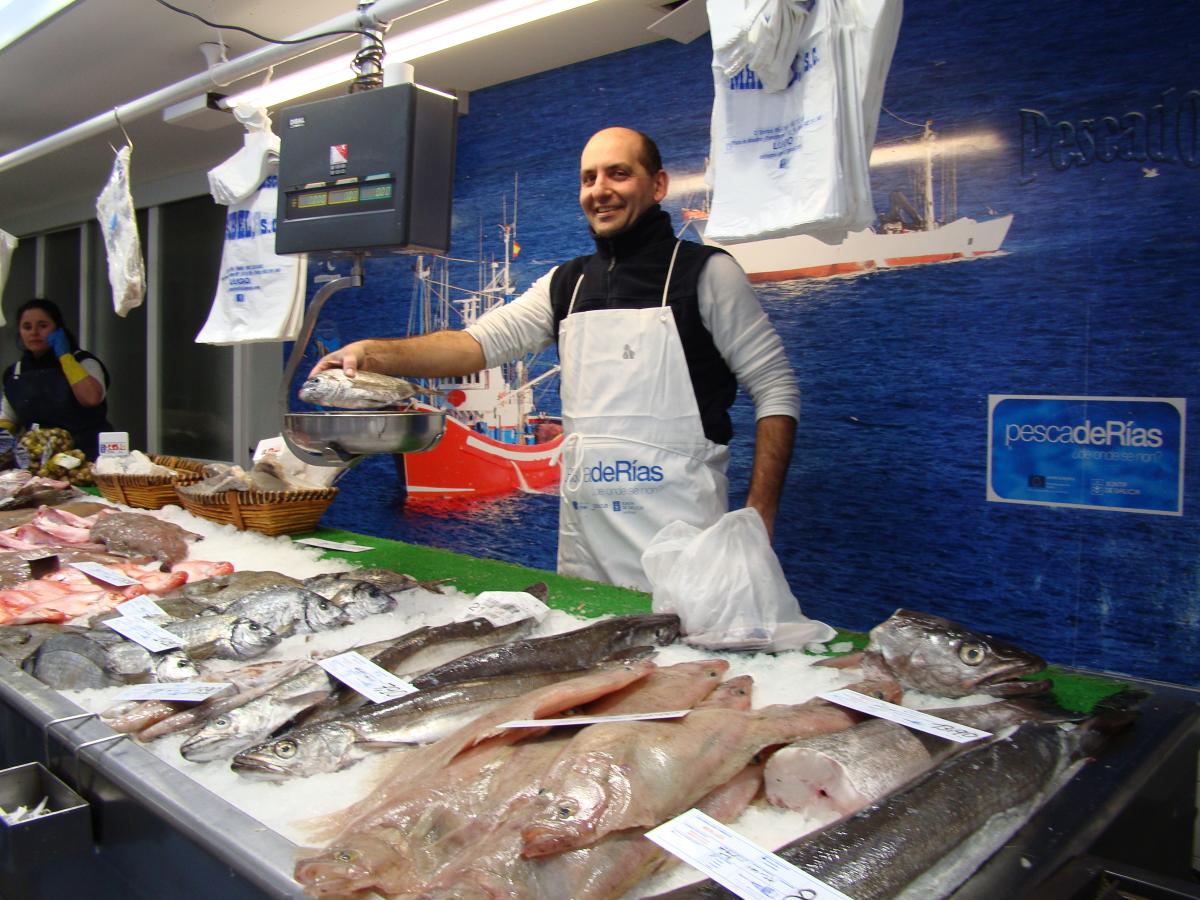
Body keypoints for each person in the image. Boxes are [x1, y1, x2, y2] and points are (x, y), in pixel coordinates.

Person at [310, 126, 799, 590]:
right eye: (589, 178)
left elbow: (777, 390)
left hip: (686, 550)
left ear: (658, 186)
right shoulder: (568, 283)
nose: (600, 189)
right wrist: (370, 353)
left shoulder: (707, 274)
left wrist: (758, 521)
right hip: (588, 550)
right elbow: (473, 344)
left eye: (618, 173)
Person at [0, 298, 113, 459]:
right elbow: (8, 417)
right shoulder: (16, 371)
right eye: (27, 327)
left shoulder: (84, 362)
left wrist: (65, 358)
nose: (34, 332)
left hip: (86, 457)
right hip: (38, 463)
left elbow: (91, 398)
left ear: (58, 329)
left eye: (43, 325)